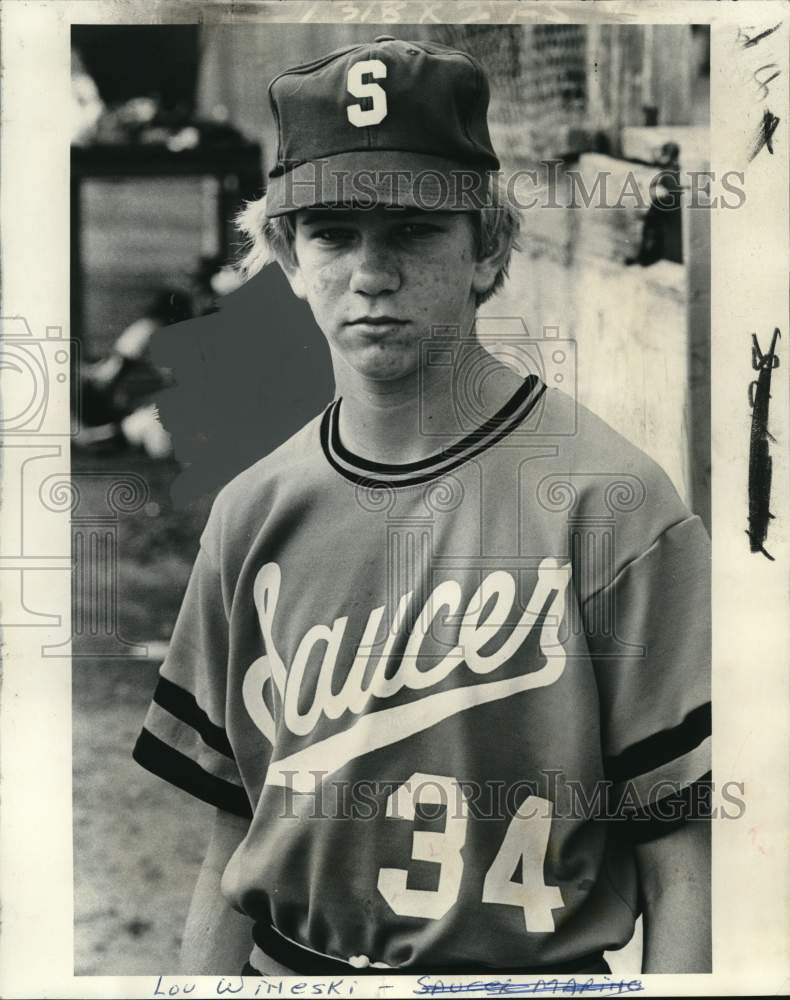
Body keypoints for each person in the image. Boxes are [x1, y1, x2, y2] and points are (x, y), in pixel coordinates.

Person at [133, 35, 711, 977]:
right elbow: (226, 854)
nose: (371, 273)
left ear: (487, 250)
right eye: (332, 232)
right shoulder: (250, 516)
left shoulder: (613, 505)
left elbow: (683, 868)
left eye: (412, 230)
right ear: (284, 253)